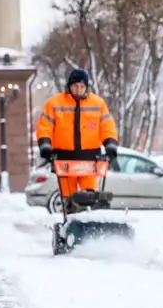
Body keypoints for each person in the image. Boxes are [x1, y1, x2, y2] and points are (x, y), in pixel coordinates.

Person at [36, 69, 119, 213]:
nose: (78, 90)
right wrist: (45, 147)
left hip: (90, 160)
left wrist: (110, 146)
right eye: (75, 86)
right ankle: (71, 223)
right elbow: (45, 126)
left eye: (82, 86)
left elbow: (107, 127)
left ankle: (89, 225)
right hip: (64, 160)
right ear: (69, 86)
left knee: (90, 196)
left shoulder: (98, 104)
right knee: (69, 200)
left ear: (87, 87)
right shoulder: (55, 103)